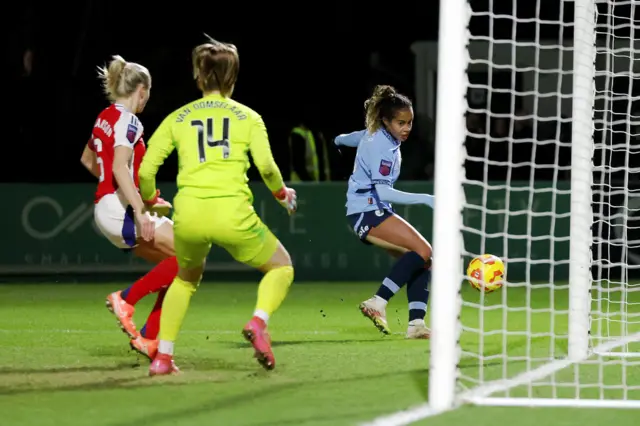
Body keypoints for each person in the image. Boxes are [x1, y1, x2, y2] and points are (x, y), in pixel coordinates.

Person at [138, 37, 297, 376]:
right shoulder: (249, 117)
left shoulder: (177, 118)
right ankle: (258, 322)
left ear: (199, 77)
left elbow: (146, 170)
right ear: (232, 78)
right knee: (281, 266)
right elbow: (267, 168)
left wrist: (151, 200)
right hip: (232, 214)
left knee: (184, 279)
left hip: (189, 215)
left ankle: (163, 359)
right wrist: (281, 193)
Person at [80, 55, 178, 361]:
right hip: (118, 211)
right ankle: (126, 299)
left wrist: (140, 200)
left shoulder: (105, 117)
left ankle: (149, 338)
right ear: (142, 90)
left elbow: (89, 161)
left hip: (107, 208)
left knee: (181, 266)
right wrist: (137, 207)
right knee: (190, 256)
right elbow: (121, 169)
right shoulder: (129, 120)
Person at [334, 85, 435, 339]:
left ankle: (416, 325)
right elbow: (385, 193)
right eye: (401, 122)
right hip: (367, 209)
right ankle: (378, 302)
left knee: (423, 261)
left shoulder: (377, 134)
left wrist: (339, 140)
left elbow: (355, 137)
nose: (407, 128)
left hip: (366, 209)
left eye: (410, 122)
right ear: (386, 121)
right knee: (424, 251)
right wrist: (426, 198)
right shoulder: (384, 148)